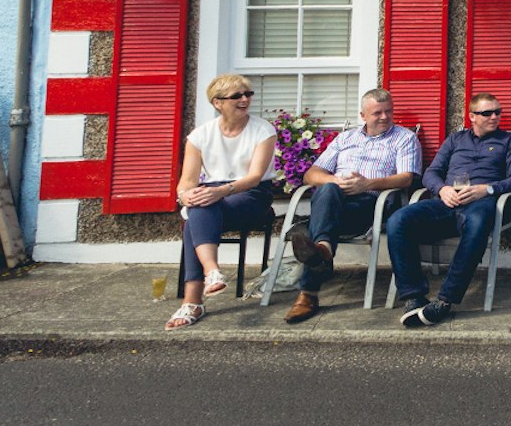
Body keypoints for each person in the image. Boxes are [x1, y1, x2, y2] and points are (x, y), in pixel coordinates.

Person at [386, 93, 511, 327]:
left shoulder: (510, 142)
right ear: (472, 116)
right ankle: (413, 296)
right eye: (487, 113)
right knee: (398, 220)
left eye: (497, 112)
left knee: (477, 223)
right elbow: (431, 172)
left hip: (483, 202)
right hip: (447, 201)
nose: (494, 117)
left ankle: (445, 300)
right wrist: (442, 190)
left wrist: (487, 189)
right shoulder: (455, 140)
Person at [282, 87, 421, 324]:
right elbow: (312, 174)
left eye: (389, 111)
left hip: (371, 204)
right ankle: (323, 250)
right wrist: (335, 181)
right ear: (363, 115)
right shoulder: (345, 138)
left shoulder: (405, 138)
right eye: (377, 112)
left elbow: (407, 178)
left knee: (312, 226)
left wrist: (367, 183)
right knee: (327, 189)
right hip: (335, 200)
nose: (385, 117)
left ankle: (309, 291)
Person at [165, 75, 278, 330]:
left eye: (248, 94)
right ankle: (212, 272)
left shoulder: (263, 130)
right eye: (237, 96)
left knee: (199, 210)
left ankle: (194, 300)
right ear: (218, 103)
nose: (245, 99)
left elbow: (254, 177)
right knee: (198, 203)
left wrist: (220, 192)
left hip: (251, 195)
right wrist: (185, 195)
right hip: (214, 196)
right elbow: (187, 181)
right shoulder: (200, 135)